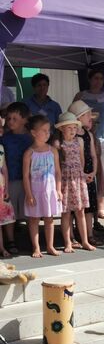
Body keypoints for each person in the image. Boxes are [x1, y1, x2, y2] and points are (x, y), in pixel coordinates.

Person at [74, 69, 104, 221]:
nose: (98, 81)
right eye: (95, 78)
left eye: (101, 78)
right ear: (89, 79)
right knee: (86, 173)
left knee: (103, 175)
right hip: (84, 139)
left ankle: (100, 206)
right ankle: (85, 205)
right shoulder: (81, 96)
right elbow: (72, 116)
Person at [55, 112, 96, 253]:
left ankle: (84, 241)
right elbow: (58, 166)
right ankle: (68, 242)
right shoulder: (59, 145)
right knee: (66, 213)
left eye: (74, 128)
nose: (73, 131)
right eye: (69, 128)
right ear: (61, 129)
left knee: (80, 211)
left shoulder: (79, 142)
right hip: (66, 179)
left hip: (78, 179)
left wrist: (83, 174)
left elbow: (81, 161)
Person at [23, 115, 62, 258]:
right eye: (44, 130)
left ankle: (50, 246)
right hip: (35, 192)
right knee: (34, 219)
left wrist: (58, 189)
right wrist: (28, 194)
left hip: (49, 191)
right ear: (34, 133)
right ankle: (36, 247)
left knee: (49, 218)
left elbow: (58, 172)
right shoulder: (29, 153)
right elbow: (26, 176)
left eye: (48, 130)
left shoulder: (53, 151)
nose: (48, 133)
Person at [68, 100, 101, 246]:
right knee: (74, 208)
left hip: (88, 175)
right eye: (87, 114)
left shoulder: (89, 135)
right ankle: (72, 236)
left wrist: (93, 171)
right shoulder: (73, 137)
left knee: (89, 207)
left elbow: (93, 155)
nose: (90, 117)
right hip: (76, 175)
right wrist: (82, 173)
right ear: (78, 118)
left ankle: (89, 234)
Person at [2, 102, 32, 254]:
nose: (10, 121)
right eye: (8, 118)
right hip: (10, 180)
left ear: (25, 119)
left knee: (28, 210)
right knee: (10, 211)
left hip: (28, 181)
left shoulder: (31, 138)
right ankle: (10, 240)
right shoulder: (4, 138)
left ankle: (32, 238)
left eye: (15, 118)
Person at [0, 143, 15, 258]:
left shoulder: (1, 147)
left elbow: (4, 168)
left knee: (5, 218)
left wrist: (7, 189)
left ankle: (4, 246)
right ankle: (2, 248)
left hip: (1, 186)